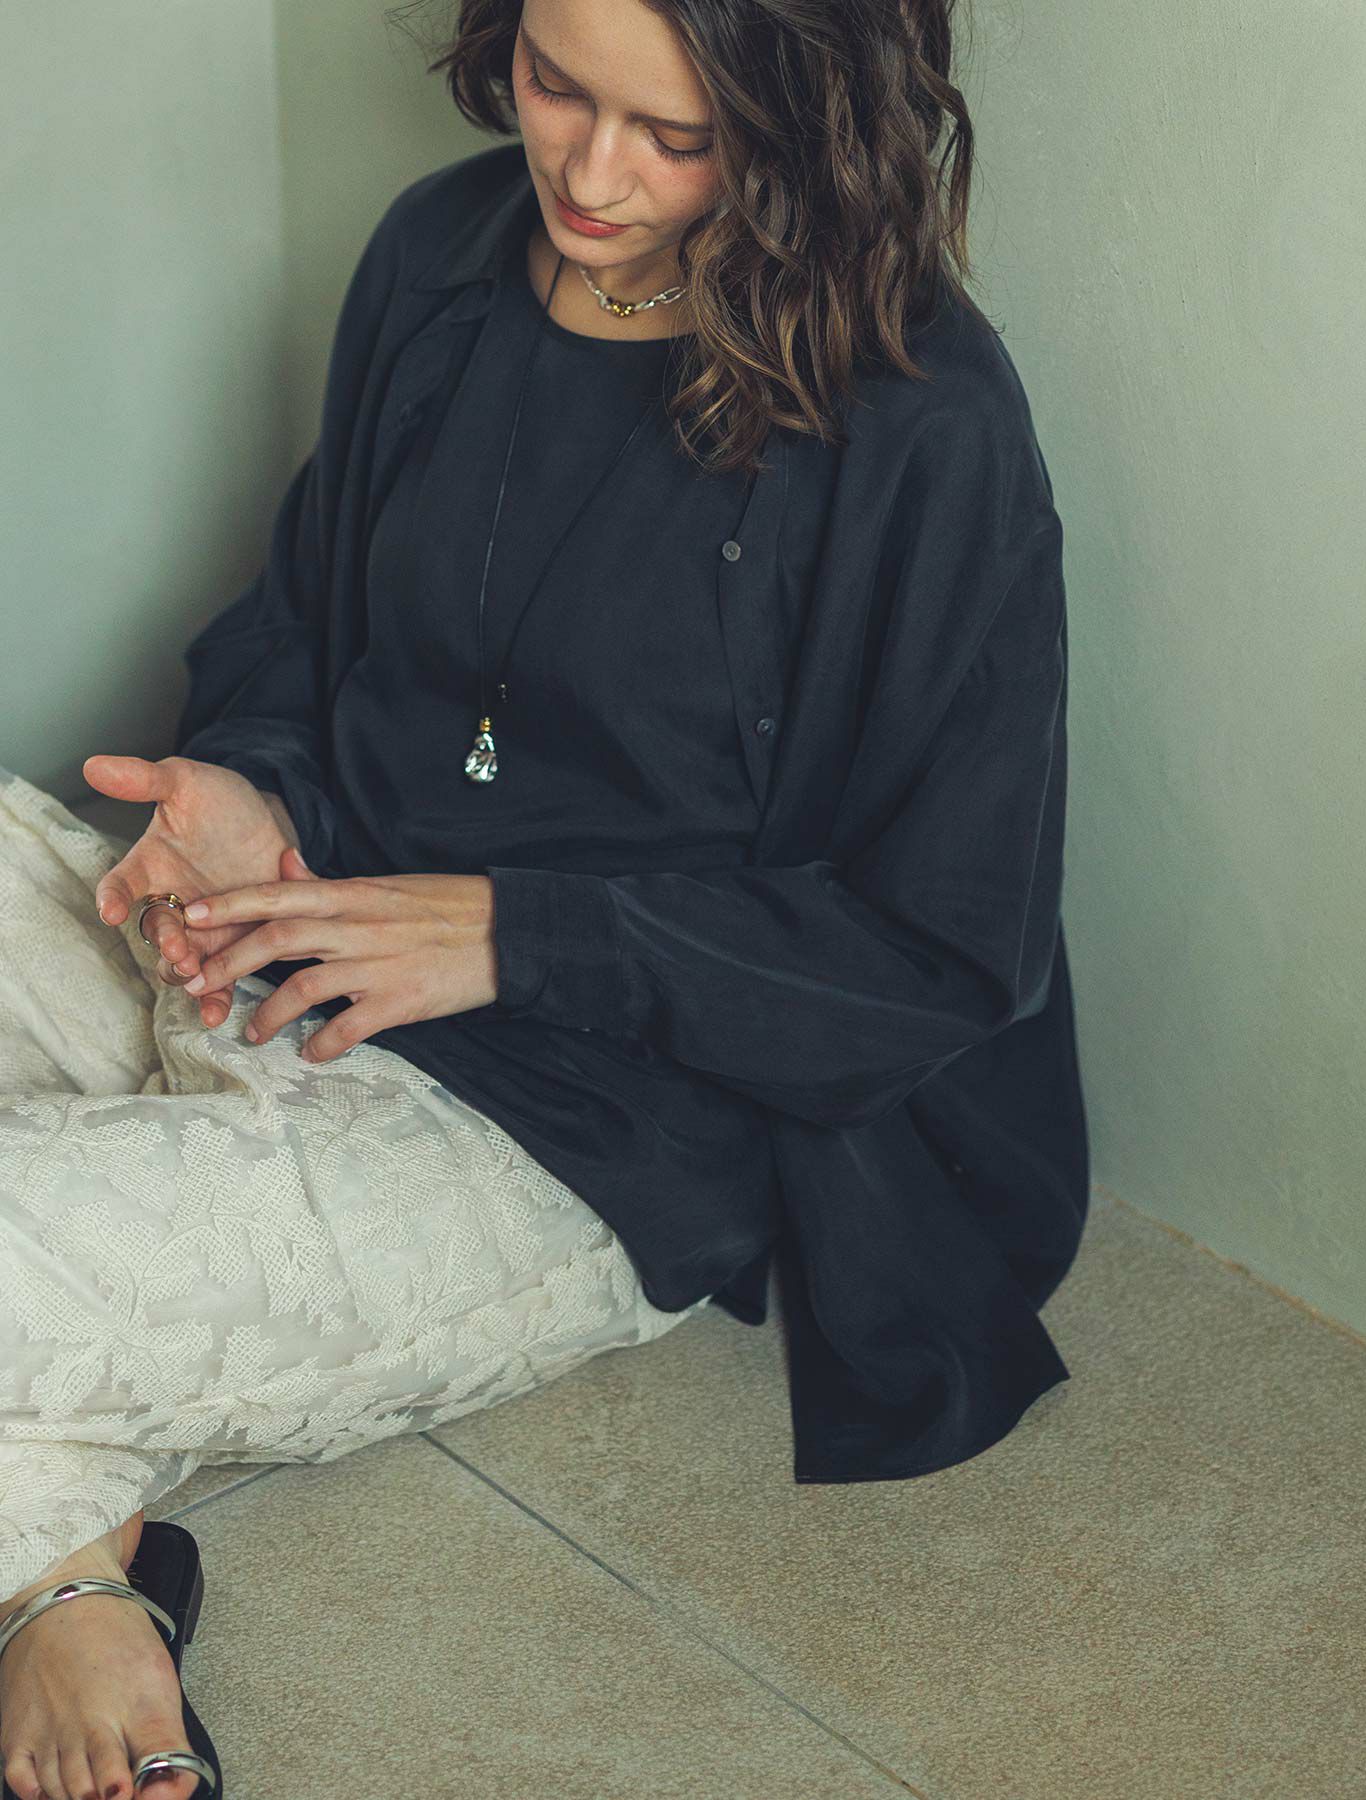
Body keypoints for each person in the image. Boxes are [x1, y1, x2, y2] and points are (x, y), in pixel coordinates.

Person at [0, 0, 1091, 1795]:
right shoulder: (443, 253)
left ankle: (55, 1580)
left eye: (679, 134)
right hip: (281, 931)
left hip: (576, 1126)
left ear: (807, 121)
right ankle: (66, 1567)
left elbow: (945, 950)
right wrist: (252, 792)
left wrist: (515, 934)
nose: (589, 172)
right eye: (556, 86)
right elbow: (304, 624)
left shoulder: (920, 420)